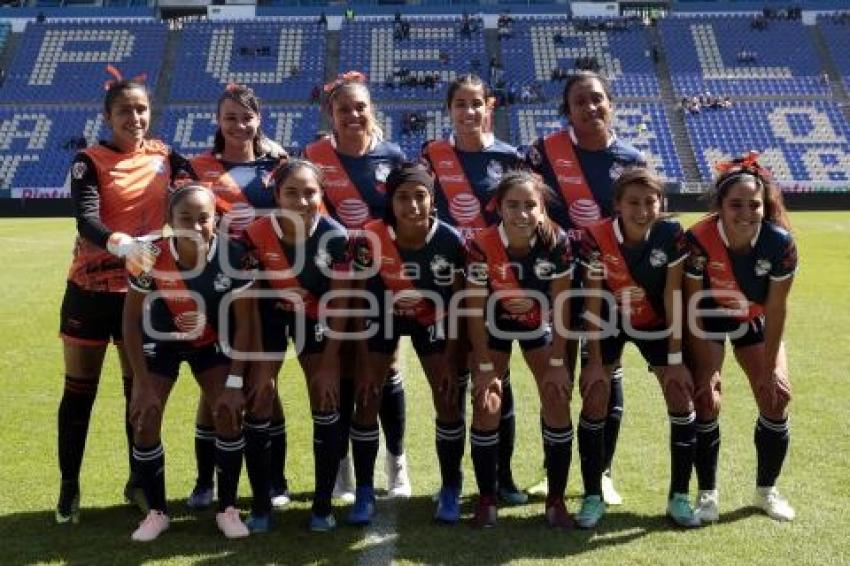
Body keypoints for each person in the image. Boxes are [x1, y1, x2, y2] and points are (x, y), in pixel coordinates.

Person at [56, 72, 193, 525]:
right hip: (91, 292)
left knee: (139, 392)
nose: (134, 118)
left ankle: (138, 481)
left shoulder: (164, 155)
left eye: (140, 110)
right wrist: (123, 244)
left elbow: (204, 180)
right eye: (124, 111)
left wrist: (268, 151)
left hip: (143, 295)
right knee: (80, 392)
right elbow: (86, 220)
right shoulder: (89, 159)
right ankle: (69, 487)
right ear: (108, 116)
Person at [527, 70, 645, 503]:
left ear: (610, 103)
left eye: (597, 99)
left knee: (605, 376)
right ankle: (550, 468)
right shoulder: (543, 154)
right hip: (556, 283)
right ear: (568, 109)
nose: (590, 107)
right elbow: (530, 209)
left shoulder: (632, 159)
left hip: (611, 286)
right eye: (580, 101)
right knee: (558, 374)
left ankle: (603, 471)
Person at [123, 184, 254, 541]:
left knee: (228, 413)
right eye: (185, 218)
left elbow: (245, 325)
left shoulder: (235, 255)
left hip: (208, 343)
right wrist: (142, 385)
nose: (195, 226)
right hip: (159, 344)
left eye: (203, 218)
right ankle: (156, 512)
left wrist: (234, 384)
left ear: (217, 220)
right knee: (145, 417)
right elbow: (131, 322)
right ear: (168, 220)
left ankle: (227, 508)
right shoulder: (146, 254)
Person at [420, 73, 526, 505]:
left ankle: (502, 475)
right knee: (451, 381)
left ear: (490, 107)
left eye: (476, 104)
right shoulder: (431, 155)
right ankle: (452, 482)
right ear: (450, 110)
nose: (469, 112)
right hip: (445, 289)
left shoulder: (511, 157)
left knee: (498, 381)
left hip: (496, 288)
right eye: (460, 104)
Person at [304, 71, 409, 501]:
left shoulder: (394, 155)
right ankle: (343, 464)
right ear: (331, 113)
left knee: (386, 371)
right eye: (343, 108)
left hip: (382, 281)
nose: (352, 114)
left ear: (372, 111)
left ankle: (397, 461)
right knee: (344, 370)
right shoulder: (312, 155)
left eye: (360, 107)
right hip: (332, 281)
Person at [187, 84, 290, 517]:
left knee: (265, 384)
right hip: (216, 294)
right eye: (230, 117)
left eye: (246, 117)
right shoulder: (198, 168)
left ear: (258, 119)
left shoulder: (278, 166)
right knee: (215, 387)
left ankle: (275, 481)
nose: (238, 125)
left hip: (268, 290)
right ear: (218, 120)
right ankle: (205, 481)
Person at [576, 168, 699, 528]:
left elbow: (673, 296)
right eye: (633, 202)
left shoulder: (671, 234)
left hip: (657, 325)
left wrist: (675, 360)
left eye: (651, 201)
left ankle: (679, 496)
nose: (643, 210)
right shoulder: (596, 237)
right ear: (617, 204)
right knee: (596, 394)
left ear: (662, 203)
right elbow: (594, 300)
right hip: (609, 323)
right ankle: (592, 496)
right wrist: (595, 361)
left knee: (680, 396)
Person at [348, 163, 466, 525]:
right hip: (380, 318)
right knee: (367, 396)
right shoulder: (369, 238)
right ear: (391, 200)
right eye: (403, 197)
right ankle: (365, 490)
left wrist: (452, 358)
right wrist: (365, 366)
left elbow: (462, 302)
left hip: (433, 320)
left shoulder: (450, 240)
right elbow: (356, 299)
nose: (412, 205)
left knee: (448, 397)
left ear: (432, 201)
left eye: (420, 196)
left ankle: (450, 488)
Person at [684, 152, 797, 523]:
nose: (746, 212)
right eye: (736, 204)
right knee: (706, 399)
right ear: (720, 205)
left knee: (776, 396)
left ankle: (767, 490)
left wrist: (768, 368)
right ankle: (707, 495)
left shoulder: (780, 242)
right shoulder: (698, 238)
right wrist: (708, 369)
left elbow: (777, 308)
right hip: (709, 317)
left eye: (755, 204)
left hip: (755, 318)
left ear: (766, 206)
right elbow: (692, 303)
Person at [243, 159, 352, 532]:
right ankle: (262, 506)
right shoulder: (255, 234)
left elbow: (340, 305)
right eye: (292, 192)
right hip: (269, 318)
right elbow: (251, 304)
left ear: (322, 196)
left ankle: (322, 507)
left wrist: (327, 365)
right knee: (258, 397)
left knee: (325, 397)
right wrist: (260, 365)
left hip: (317, 321)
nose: (302, 201)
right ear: (276, 196)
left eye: (310, 193)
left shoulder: (337, 237)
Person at [465, 171, 575, 528]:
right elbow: (475, 310)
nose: (522, 213)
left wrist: (559, 362)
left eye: (531, 205)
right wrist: (481, 366)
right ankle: (487, 498)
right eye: (513, 205)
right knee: (487, 402)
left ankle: (556, 501)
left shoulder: (557, 242)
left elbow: (562, 308)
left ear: (542, 208)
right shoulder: (481, 244)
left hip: (536, 325)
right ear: (499, 207)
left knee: (557, 396)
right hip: (492, 328)